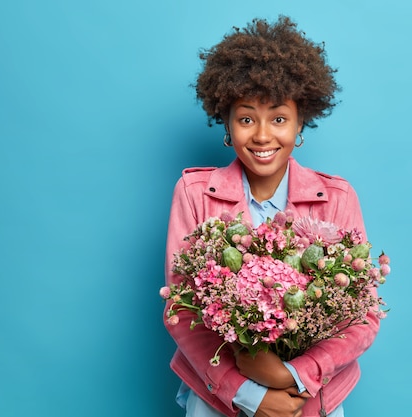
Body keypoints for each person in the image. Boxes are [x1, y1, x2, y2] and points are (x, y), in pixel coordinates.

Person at [163, 16, 380, 417]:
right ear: (227, 123)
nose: (262, 135)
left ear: (300, 124)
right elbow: (180, 310)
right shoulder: (194, 195)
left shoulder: (336, 198)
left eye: (279, 118)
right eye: (246, 118)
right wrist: (249, 395)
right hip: (219, 399)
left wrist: (292, 377)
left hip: (308, 401)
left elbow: (362, 317)